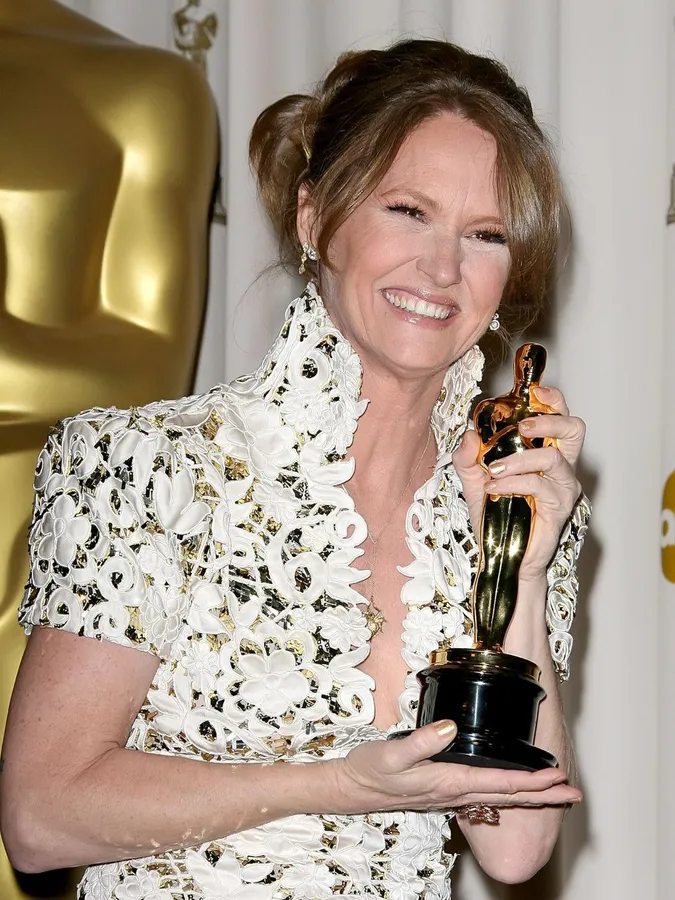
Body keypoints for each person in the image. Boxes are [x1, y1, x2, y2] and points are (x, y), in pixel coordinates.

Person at [0, 39, 590, 899]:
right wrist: (338, 783)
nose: (442, 268)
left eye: (485, 234)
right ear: (314, 218)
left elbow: (515, 847)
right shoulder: (151, 466)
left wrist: (521, 570)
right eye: (407, 211)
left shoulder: (512, 493)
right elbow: (40, 817)